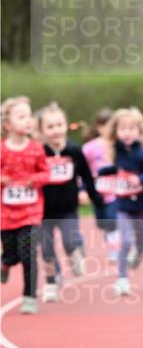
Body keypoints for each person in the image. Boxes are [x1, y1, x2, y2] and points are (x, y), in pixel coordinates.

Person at [36, 103, 104, 303]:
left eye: (59, 125)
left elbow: (86, 176)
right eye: (50, 127)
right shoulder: (39, 153)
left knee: (69, 240)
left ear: (66, 125)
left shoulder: (74, 150)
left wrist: (95, 197)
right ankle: (51, 281)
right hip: (42, 210)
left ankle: (75, 253)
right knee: (46, 250)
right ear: (41, 130)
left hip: (67, 208)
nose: (55, 130)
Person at [98, 107, 143, 296]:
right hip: (123, 204)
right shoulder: (117, 152)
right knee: (124, 241)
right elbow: (117, 169)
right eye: (123, 129)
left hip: (142, 205)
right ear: (116, 132)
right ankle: (122, 278)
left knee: (140, 243)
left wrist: (140, 179)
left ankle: (138, 255)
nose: (127, 133)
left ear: (139, 132)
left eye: (131, 128)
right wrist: (102, 173)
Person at [0, 96, 50, 314]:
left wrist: (35, 180)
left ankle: (29, 297)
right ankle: (5, 262)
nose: (28, 120)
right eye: (21, 117)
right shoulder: (2, 150)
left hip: (31, 212)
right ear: (8, 125)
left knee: (28, 253)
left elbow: (46, 173)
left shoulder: (37, 148)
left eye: (30, 115)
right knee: (12, 253)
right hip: (6, 213)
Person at [82, 108, 119, 259]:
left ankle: (118, 249)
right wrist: (82, 189)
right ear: (98, 127)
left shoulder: (120, 146)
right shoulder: (89, 147)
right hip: (97, 192)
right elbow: (83, 170)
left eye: (112, 126)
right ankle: (114, 244)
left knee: (112, 219)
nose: (108, 129)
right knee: (102, 223)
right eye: (105, 126)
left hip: (116, 192)